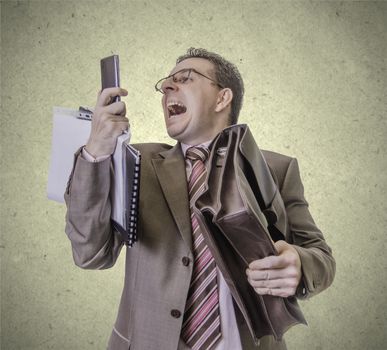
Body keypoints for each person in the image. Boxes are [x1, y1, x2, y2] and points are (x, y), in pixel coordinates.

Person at [65, 48, 335, 350]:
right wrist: (97, 150)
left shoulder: (277, 170)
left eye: (185, 79)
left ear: (222, 98)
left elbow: (320, 257)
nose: (167, 87)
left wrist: (299, 265)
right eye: (166, 83)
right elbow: (90, 253)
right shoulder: (135, 162)